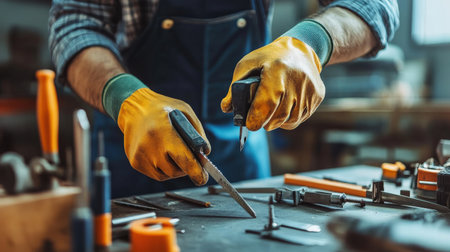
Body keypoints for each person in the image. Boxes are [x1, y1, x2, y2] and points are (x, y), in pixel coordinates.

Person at [49, 0, 399, 198]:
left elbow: (375, 6)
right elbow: (74, 26)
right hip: (131, 155)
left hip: (242, 165)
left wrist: (311, 43)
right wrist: (124, 98)